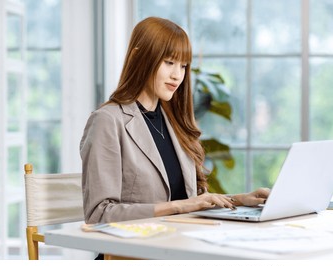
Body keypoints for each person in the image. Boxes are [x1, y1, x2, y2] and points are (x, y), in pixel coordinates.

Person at [80, 16, 270, 227]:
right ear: (139, 56)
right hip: (132, 252)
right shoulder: (107, 121)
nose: (177, 75)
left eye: (183, 66)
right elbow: (99, 213)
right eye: (169, 62)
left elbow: (194, 200)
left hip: (178, 242)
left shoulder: (174, 122)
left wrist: (240, 200)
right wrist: (178, 206)